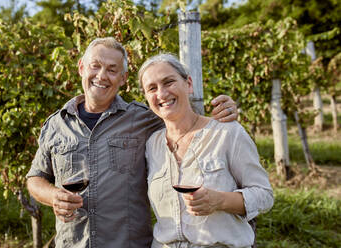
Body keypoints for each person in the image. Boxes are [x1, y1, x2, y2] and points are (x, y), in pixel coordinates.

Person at [26, 37, 238, 248]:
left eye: (112, 69)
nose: (101, 75)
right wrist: (53, 195)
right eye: (95, 66)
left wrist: (224, 110)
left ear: (123, 78)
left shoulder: (145, 119)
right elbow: (35, 178)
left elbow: (187, 119)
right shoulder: (56, 124)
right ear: (81, 67)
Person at [139, 53, 274, 248]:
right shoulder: (152, 144)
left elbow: (264, 196)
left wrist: (219, 200)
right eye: (152, 88)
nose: (161, 94)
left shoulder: (227, 132)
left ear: (189, 84)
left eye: (169, 82)